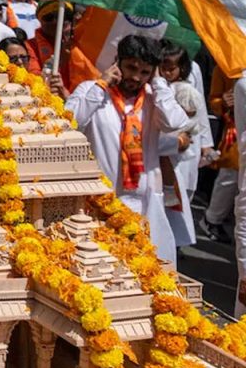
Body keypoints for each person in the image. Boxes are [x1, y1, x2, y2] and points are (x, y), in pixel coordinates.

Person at [65, 35, 189, 265]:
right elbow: (70, 121)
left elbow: (175, 122)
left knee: (145, 271)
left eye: (145, 72)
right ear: (117, 62)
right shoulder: (92, 90)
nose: (135, 77)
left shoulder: (155, 98)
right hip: (101, 201)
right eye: (131, 67)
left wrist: (159, 83)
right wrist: (101, 85)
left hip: (145, 202)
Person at [155, 40, 211, 250]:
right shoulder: (162, 84)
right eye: (164, 68)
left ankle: (174, 242)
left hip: (180, 142)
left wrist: (204, 143)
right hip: (165, 142)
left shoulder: (184, 89)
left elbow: (193, 114)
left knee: (178, 193)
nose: (167, 72)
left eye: (171, 68)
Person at [203, 68, 237, 242]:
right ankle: (212, 219)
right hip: (237, 132)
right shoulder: (225, 66)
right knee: (229, 178)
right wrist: (223, 101)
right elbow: (214, 102)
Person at [25, 0, 73, 98]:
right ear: (40, 21)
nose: (56, 21)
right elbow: (35, 77)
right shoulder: (29, 46)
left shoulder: (77, 42)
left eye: (63, 15)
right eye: (49, 17)